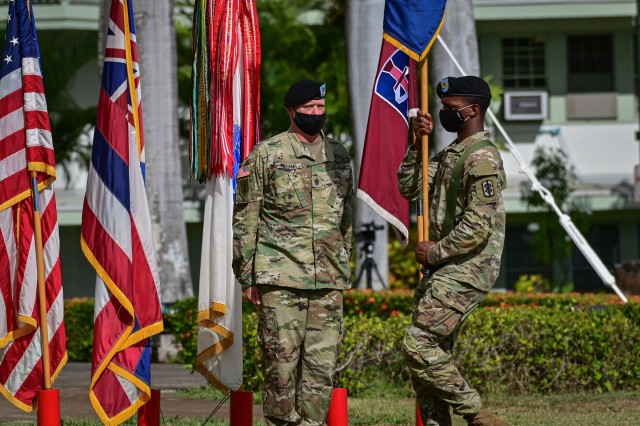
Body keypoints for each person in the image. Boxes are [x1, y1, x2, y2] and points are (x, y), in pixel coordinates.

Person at [232, 79, 354, 425]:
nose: (316, 114)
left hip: (328, 278)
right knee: (280, 365)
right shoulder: (267, 154)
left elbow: (346, 217)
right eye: (308, 109)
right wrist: (247, 275)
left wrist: (343, 263)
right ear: (291, 111)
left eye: (320, 108)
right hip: (280, 275)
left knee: (321, 368)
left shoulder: (340, 155)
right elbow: (246, 217)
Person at [397, 75, 506, 426]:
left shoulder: (483, 158)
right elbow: (410, 187)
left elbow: (478, 226)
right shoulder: (449, 154)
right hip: (445, 267)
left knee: (418, 345)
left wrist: (434, 252)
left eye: (450, 108)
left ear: (473, 110)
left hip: (467, 267)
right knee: (429, 360)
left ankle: (476, 413)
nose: (443, 113)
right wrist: (418, 143)